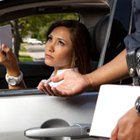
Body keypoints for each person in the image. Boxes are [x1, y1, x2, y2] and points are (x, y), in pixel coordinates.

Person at [0, 20, 91, 91]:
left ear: (77, 53)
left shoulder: (67, 85)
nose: (49, 47)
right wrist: (11, 67)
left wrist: (12, 68)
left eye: (61, 43)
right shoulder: (56, 78)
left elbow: (24, 108)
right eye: (50, 39)